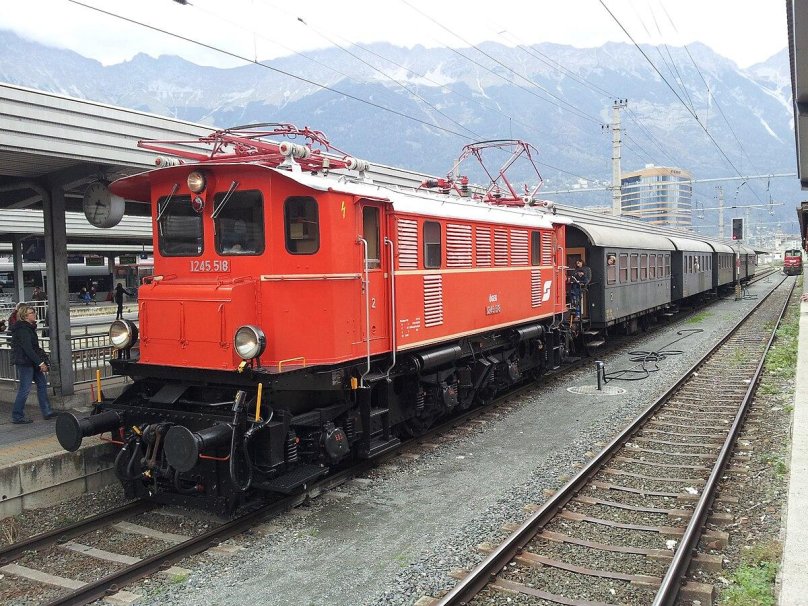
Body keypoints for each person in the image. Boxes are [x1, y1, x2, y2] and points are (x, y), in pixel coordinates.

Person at [10, 304, 55, 424]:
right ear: (25, 316)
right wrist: (40, 363)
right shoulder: (23, 329)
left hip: (30, 361)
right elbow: (28, 349)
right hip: (25, 362)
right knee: (25, 389)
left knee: (42, 384)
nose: (34, 314)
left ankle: (47, 411)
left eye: (34, 312)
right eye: (32, 313)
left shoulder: (28, 328)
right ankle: (17, 415)